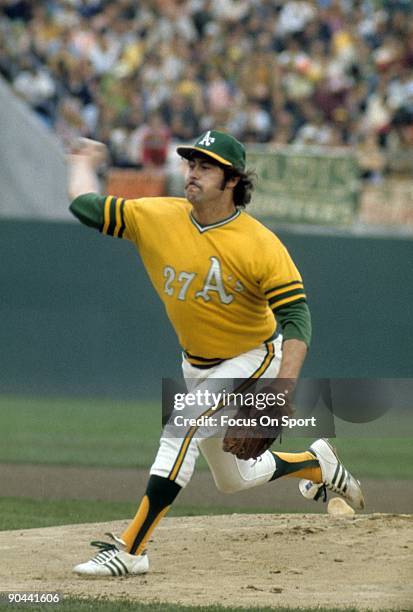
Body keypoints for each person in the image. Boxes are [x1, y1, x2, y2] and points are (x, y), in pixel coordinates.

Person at [68, 130, 364, 577]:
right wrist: (81, 160)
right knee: (233, 479)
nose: (193, 173)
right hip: (197, 363)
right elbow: (84, 205)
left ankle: (131, 550)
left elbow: (297, 320)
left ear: (232, 180)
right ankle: (316, 463)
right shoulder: (157, 216)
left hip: (252, 356)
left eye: (206, 166)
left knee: (180, 427)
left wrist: (281, 387)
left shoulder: (259, 244)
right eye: (191, 163)